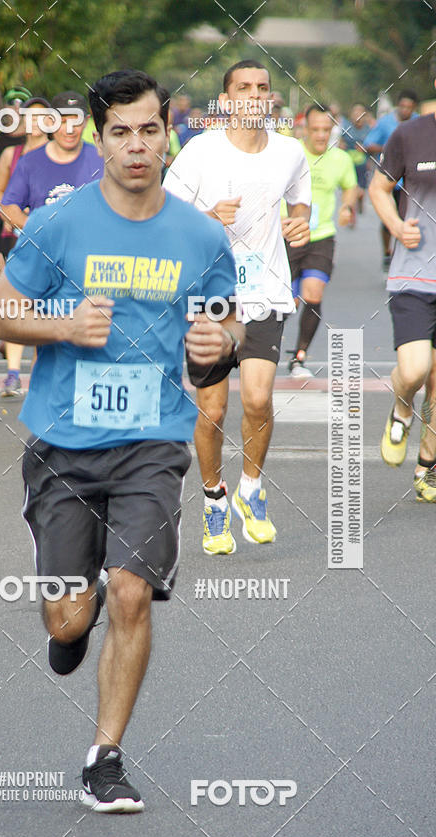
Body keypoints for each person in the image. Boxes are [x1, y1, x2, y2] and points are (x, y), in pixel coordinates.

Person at [0, 69, 242, 811]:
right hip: (64, 441)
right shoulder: (59, 225)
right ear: (99, 140)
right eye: (121, 132)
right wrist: (63, 327)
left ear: (169, 135)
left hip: (153, 443)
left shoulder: (200, 237)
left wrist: (217, 344)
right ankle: (73, 618)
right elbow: (1, 314)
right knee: (71, 613)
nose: (137, 146)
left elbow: (227, 324)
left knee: (132, 593)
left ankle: (105, 755)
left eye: (150, 130)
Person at [164, 59, 311, 554]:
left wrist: (300, 222)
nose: (254, 95)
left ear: (272, 98)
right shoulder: (199, 152)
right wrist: (206, 217)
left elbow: (300, 201)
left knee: (256, 398)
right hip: (208, 298)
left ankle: (251, 487)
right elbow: (164, 218)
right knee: (212, 409)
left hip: (265, 293)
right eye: (243, 88)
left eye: (263, 88)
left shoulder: (290, 152)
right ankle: (212, 498)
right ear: (225, 101)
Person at [368, 78, 436, 502]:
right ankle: (401, 407)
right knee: (414, 371)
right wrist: (396, 227)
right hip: (415, 274)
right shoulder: (410, 134)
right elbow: (378, 189)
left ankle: (427, 468)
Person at [286, 104, 358, 378]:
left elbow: (351, 187)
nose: (320, 135)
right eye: (315, 129)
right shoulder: (290, 154)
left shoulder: (341, 159)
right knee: (287, 302)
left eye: (326, 130)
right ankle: (265, 352)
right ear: (304, 128)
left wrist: (347, 207)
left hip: (322, 236)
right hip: (288, 235)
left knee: (313, 293)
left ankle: (299, 357)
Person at [0, 96, 50, 398]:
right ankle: (12, 374)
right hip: (15, 238)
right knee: (15, 304)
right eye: (31, 117)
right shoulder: (11, 155)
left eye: (43, 117)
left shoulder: (59, 156)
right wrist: (9, 211)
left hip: (49, 243)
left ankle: (39, 376)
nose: (36, 123)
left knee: (44, 310)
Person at [0, 91, 102, 232]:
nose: (69, 130)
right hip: (43, 251)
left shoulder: (101, 159)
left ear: (86, 121)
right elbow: (8, 207)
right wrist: (37, 229)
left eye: (76, 122)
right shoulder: (30, 162)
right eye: (63, 122)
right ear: (50, 122)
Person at [364, 90, 419, 269]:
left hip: (413, 182)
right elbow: (368, 145)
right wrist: (389, 148)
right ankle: (387, 252)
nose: (405, 110)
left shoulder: (420, 123)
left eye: (409, 108)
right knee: (389, 219)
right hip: (391, 180)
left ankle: (405, 256)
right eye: (402, 106)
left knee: (410, 219)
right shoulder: (386, 123)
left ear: (414, 108)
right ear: (397, 106)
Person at [0, 86, 31, 278]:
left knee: (16, 270)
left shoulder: (33, 139)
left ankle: (11, 302)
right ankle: (2, 302)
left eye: (22, 105)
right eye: (12, 103)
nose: (16, 108)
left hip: (23, 209)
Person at [341, 103, 373, 213]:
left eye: (360, 113)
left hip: (362, 165)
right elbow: (340, 143)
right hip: (349, 163)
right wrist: (342, 146)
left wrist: (365, 148)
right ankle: (351, 209)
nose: (357, 115)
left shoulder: (369, 130)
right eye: (355, 112)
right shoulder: (346, 128)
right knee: (351, 188)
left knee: (360, 191)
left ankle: (359, 200)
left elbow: (374, 148)